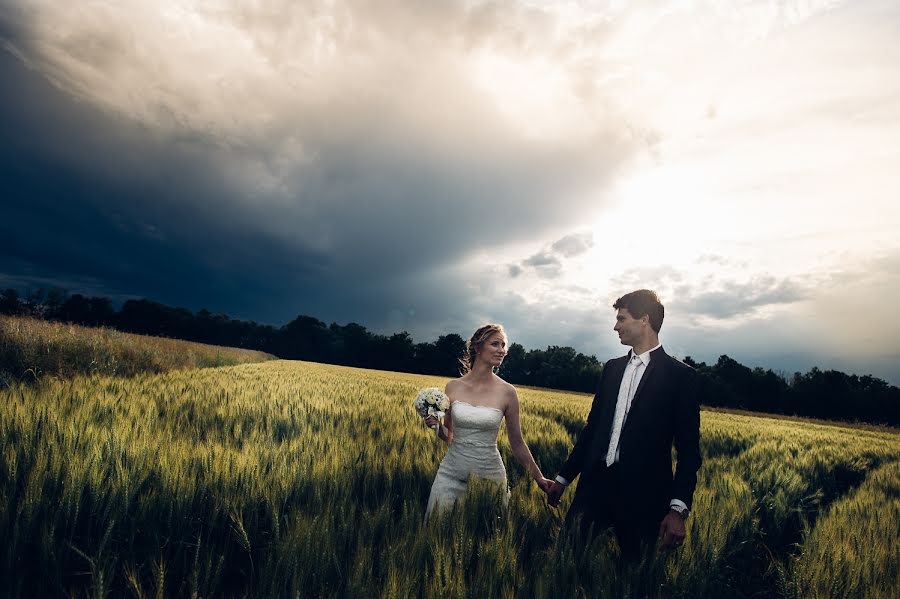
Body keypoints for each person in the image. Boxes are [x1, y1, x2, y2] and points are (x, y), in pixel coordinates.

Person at [545, 290, 701, 561]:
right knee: (566, 561)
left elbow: (689, 451)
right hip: (595, 486)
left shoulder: (680, 377)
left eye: (622, 318)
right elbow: (592, 430)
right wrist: (563, 477)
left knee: (631, 575)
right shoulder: (612, 369)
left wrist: (677, 510)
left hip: (644, 497)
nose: (615, 326)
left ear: (644, 320)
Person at [423, 323, 553, 520]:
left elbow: (517, 442)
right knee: (437, 531)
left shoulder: (508, 392)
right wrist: (435, 426)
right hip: (450, 476)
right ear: (477, 347)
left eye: (503, 345)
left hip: (489, 479)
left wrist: (539, 477)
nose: (501, 350)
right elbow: (449, 435)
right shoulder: (453, 387)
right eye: (495, 344)